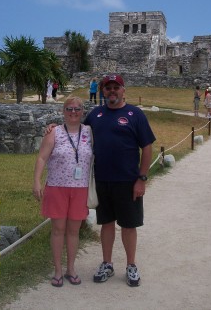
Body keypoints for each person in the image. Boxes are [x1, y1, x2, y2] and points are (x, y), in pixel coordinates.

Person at [84, 74, 156, 287]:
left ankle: (131, 265)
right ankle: (107, 263)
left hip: (127, 181)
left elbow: (148, 146)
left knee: (129, 225)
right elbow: (78, 134)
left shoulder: (135, 114)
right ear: (103, 91)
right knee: (106, 224)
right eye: (108, 88)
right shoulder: (95, 115)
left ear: (124, 90)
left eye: (116, 87)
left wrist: (141, 178)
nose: (112, 91)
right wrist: (53, 129)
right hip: (103, 180)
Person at [33, 96, 93, 287]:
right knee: (58, 230)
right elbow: (42, 158)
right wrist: (36, 181)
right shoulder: (54, 132)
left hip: (80, 187)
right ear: (63, 111)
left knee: (74, 231)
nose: (73, 112)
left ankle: (71, 268)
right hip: (57, 187)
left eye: (77, 109)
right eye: (69, 109)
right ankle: (58, 270)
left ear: (83, 111)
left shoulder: (90, 132)